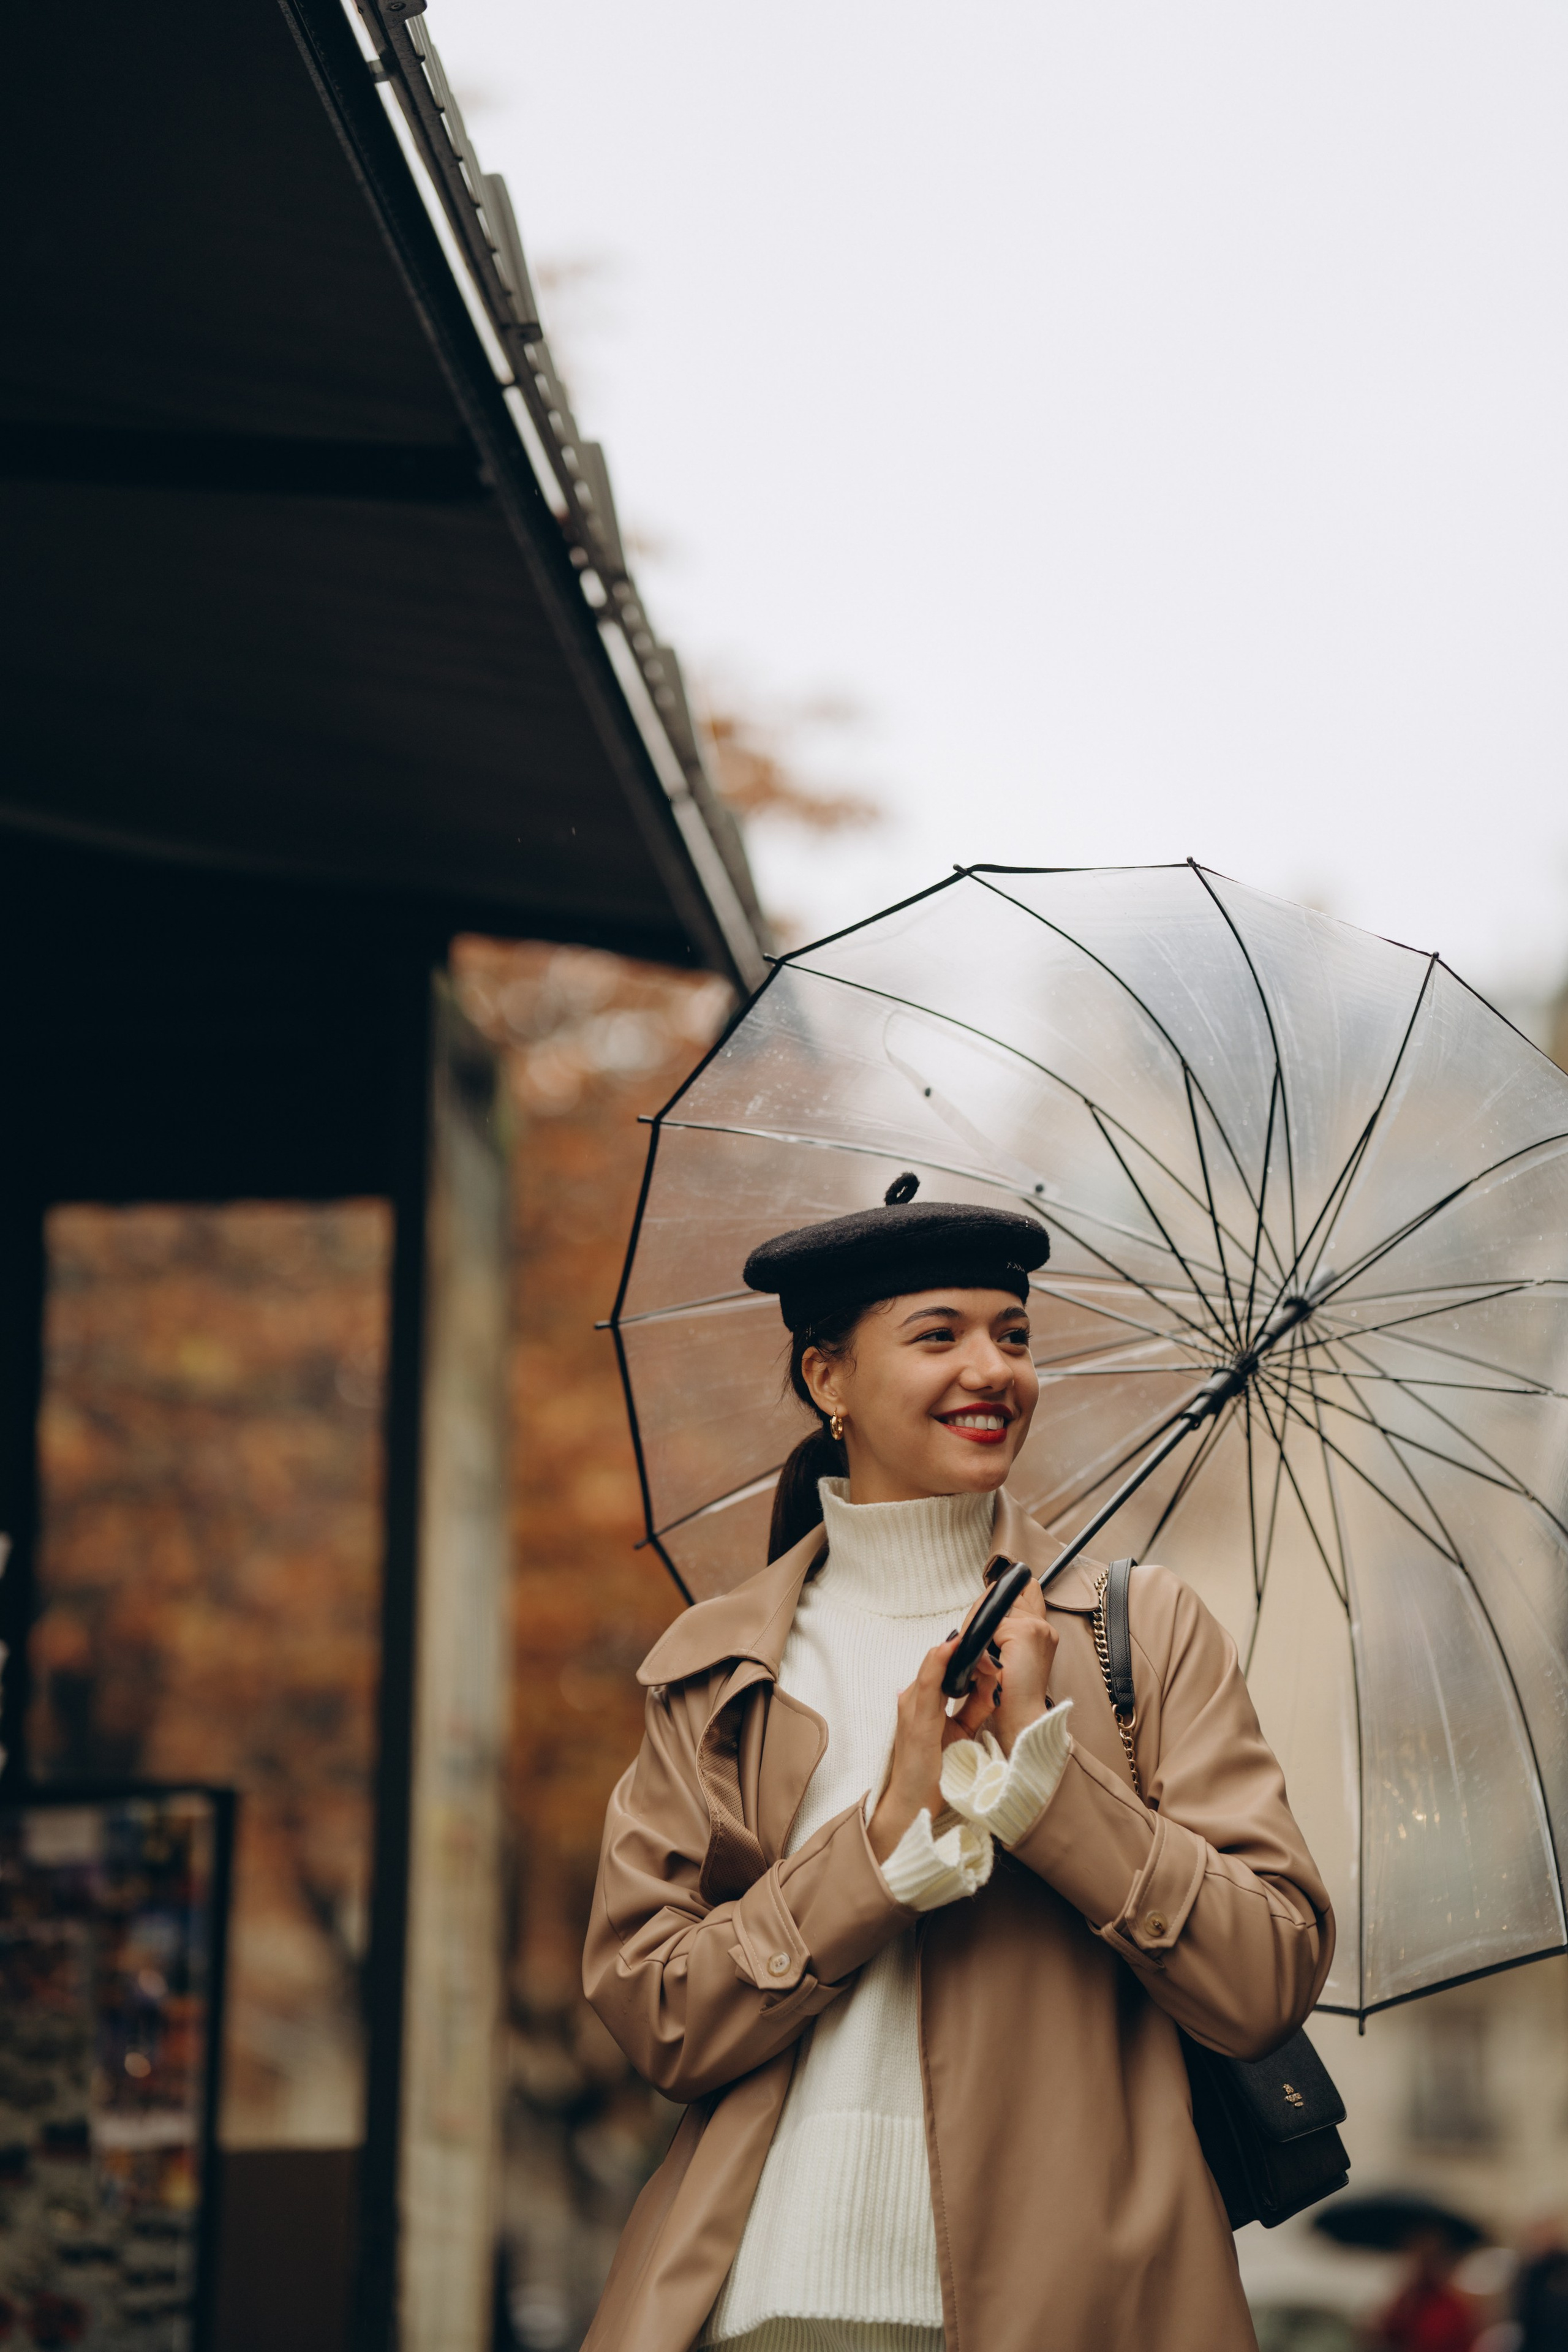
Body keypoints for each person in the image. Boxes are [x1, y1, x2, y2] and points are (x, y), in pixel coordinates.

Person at [582, 1175, 1335, 2352]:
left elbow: (1265, 1979)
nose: (993, 1371)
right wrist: (879, 1853)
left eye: (1014, 1336)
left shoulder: (1139, 1631)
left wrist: (1048, 1789)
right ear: (827, 1377)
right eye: (938, 1335)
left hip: (1083, 2296)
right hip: (770, 2292)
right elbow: (656, 2016)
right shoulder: (723, 1666)